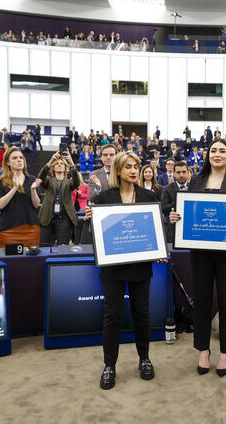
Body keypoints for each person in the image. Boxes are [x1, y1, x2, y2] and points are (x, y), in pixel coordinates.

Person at [168, 140, 226, 377]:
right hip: (200, 252)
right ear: (208, 155)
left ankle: (225, 352)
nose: (218, 154)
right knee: (201, 300)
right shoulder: (197, 181)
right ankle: (203, 350)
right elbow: (190, 212)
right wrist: (176, 217)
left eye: (223, 150)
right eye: (213, 150)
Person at [82, 151, 157, 390]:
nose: (134, 170)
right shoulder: (103, 198)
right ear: (118, 170)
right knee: (112, 315)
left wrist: (157, 251)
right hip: (113, 268)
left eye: (136, 166)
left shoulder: (148, 195)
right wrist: (91, 220)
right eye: (128, 167)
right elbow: (97, 235)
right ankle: (109, 366)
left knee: (141, 314)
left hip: (140, 266)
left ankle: (144, 359)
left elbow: (154, 230)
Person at [0, 147, 41, 248]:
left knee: (31, 260)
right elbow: (0, 205)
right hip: (8, 229)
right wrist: (15, 188)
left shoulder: (32, 179)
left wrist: (33, 190)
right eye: (15, 158)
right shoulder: (1, 181)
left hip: (31, 228)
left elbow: (36, 204)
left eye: (21, 157)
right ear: (8, 162)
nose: (19, 160)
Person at [37, 151, 80, 246]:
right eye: (57, 163)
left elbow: (77, 182)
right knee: (44, 247)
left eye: (62, 164)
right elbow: (41, 177)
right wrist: (51, 160)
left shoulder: (69, 182)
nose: (59, 165)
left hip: (64, 219)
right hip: (47, 217)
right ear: (53, 167)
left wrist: (71, 162)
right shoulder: (48, 180)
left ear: (65, 167)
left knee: (63, 248)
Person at [160, 161, 191, 243]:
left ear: (188, 173)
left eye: (184, 172)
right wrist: (180, 198)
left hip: (190, 228)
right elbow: (164, 209)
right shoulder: (167, 189)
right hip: (172, 229)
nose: (181, 175)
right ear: (174, 173)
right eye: (178, 172)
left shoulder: (194, 187)